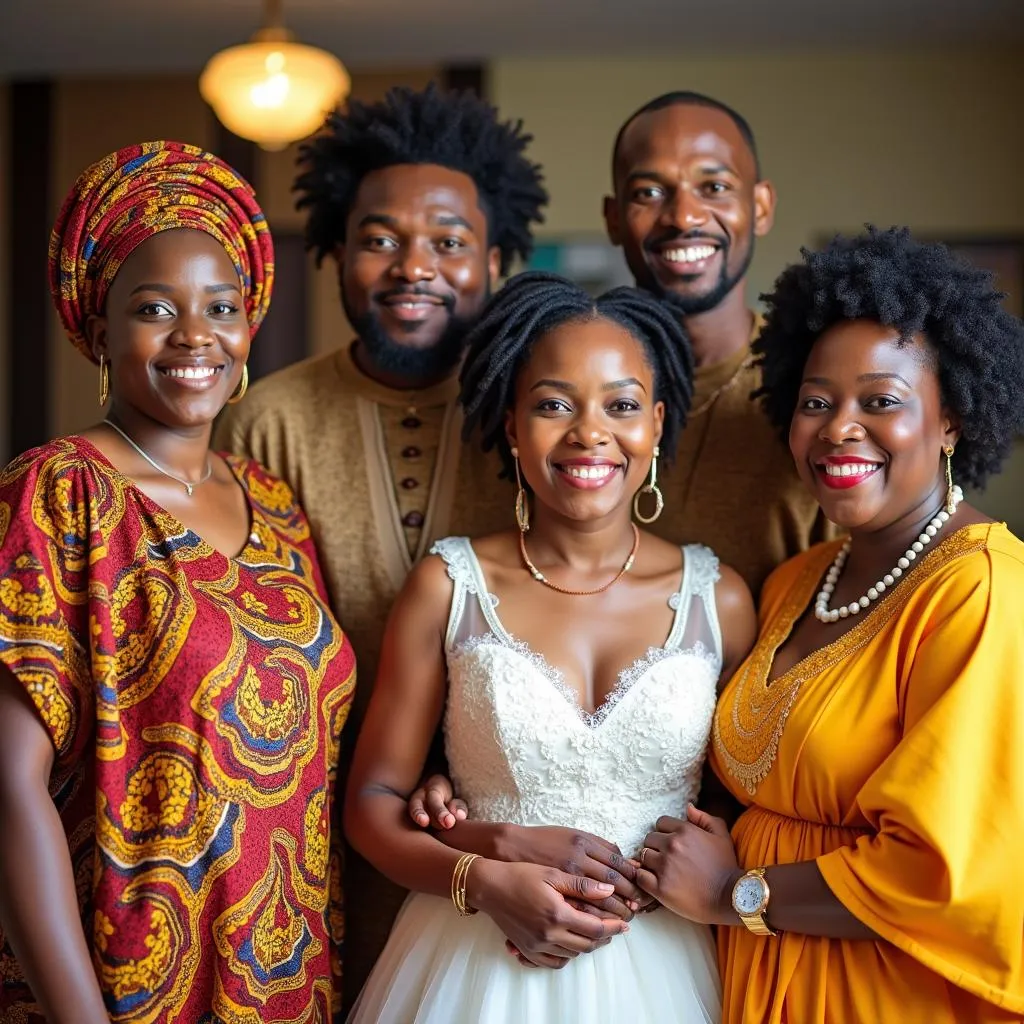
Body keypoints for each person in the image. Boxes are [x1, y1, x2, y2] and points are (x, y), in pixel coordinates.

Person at [0, 142, 355, 1024]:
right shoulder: (59, 491)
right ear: (99, 328)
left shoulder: (274, 505)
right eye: (156, 308)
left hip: (290, 982)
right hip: (126, 990)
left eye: (222, 307)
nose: (197, 336)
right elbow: (8, 783)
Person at [344, 272, 757, 1022]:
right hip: (469, 964)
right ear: (511, 424)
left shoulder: (719, 599)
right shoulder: (448, 585)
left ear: (658, 425)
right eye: (553, 404)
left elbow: (746, 808)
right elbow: (371, 806)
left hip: (668, 973)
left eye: (621, 405)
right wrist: (482, 868)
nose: (588, 432)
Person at [635, 227, 1024, 1023]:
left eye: (881, 401)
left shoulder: (981, 590)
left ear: (951, 419)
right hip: (749, 980)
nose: (839, 427)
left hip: (879, 994)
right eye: (817, 401)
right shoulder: (795, 583)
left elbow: (941, 868)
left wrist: (731, 892)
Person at [215, 83, 547, 1001]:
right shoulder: (266, 421)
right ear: (334, 253)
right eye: (379, 239)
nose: (414, 266)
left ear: (493, 256)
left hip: (507, 826)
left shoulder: (539, 418)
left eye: (448, 241)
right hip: (311, 834)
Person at [604, 91, 835, 594]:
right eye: (648, 192)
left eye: (713, 186)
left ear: (760, 206)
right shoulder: (573, 393)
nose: (684, 216)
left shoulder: (816, 391)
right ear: (614, 218)